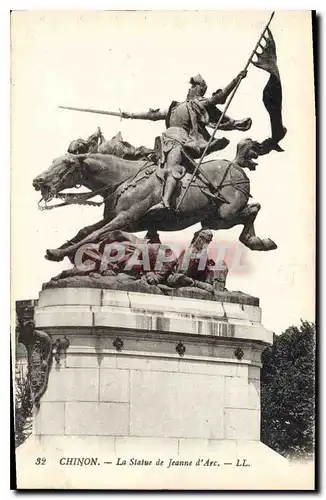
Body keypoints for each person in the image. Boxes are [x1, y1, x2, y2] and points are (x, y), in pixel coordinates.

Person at [121, 71, 251, 210]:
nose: (190, 88)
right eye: (191, 85)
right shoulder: (176, 106)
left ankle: (165, 202)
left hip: (179, 143)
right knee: (145, 164)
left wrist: (236, 80)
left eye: (194, 85)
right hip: (163, 143)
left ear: (200, 89)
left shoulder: (198, 104)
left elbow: (220, 97)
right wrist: (131, 115)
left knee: (172, 169)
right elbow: (153, 115)